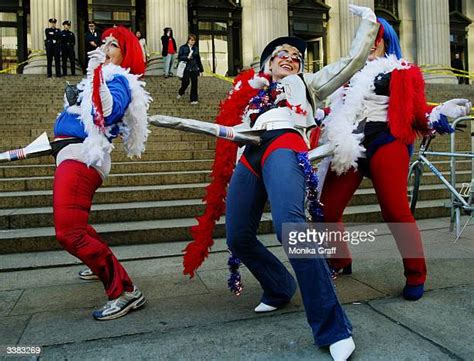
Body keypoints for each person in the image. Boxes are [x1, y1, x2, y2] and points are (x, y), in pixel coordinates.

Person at [181, 5, 379, 361]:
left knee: (293, 227)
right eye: (281, 54)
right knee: (238, 235)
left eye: (296, 56)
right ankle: (278, 286)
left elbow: (351, 61)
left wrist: (368, 22)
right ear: (266, 65)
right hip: (250, 152)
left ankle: (333, 327)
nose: (289, 57)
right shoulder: (250, 95)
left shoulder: (308, 84)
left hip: (286, 144)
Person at [318, 18, 472, 302]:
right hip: (350, 143)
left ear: (387, 39)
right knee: (326, 210)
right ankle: (339, 260)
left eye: (377, 36)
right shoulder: (346, 73)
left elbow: (415, 109)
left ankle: (416, 273)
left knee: (395, 211)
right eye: (367, 36)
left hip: (386, 139)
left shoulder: (401, 70)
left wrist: (439, 112)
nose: (372, 42)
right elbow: (335, 108)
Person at [52, 26, 151, 320]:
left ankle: (125, 291)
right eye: (103, 42)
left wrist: (96, 72)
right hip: (72, 154)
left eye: (112, 45)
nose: (104, 47)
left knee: (69, 232)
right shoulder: (101, 77)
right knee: (76, 226)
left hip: (85, 156)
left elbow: (105, 112)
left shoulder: (118, 79)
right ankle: (99, 265)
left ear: (126, 55)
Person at [177, 34, 203, 104]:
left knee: (194, 84)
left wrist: (201, 69)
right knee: (185, 82)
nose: (193, 42)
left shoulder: (196, 48)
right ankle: (181, 91)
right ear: (188, 40)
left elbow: (198, 59)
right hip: (186, 68)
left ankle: (194, 99)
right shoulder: (183, 47)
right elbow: (179, 57)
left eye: (194, 40)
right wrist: (186, 57)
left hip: (194, 68)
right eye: (191, 40)